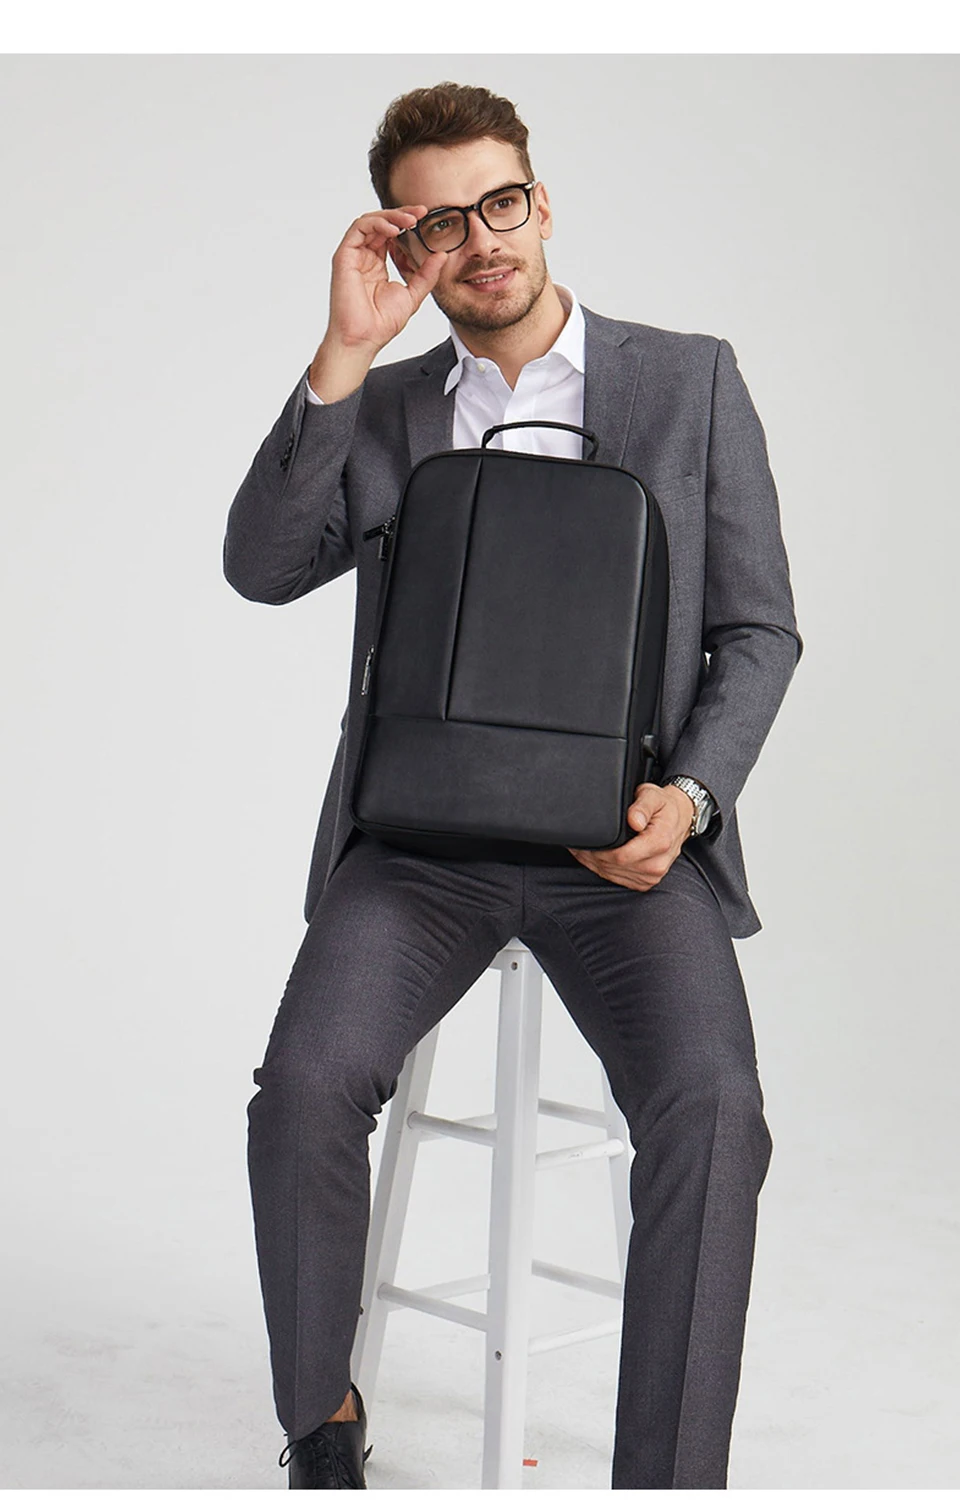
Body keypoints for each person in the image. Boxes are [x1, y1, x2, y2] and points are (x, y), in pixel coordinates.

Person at [223, 80, 802, 1491]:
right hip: (421, 848)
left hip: (623, 845)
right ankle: (322, 1422)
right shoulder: (386, 406)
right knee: (302, 1089)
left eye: (501, 203)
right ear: (407, 242)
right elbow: (262, 567)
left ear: (542, 203)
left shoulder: (688, 381)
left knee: (714, 1110)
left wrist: (692, 800)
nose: (480, 239)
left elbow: (758, 628)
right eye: (442, 222)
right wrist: (345, 351)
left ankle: (669, 1479)